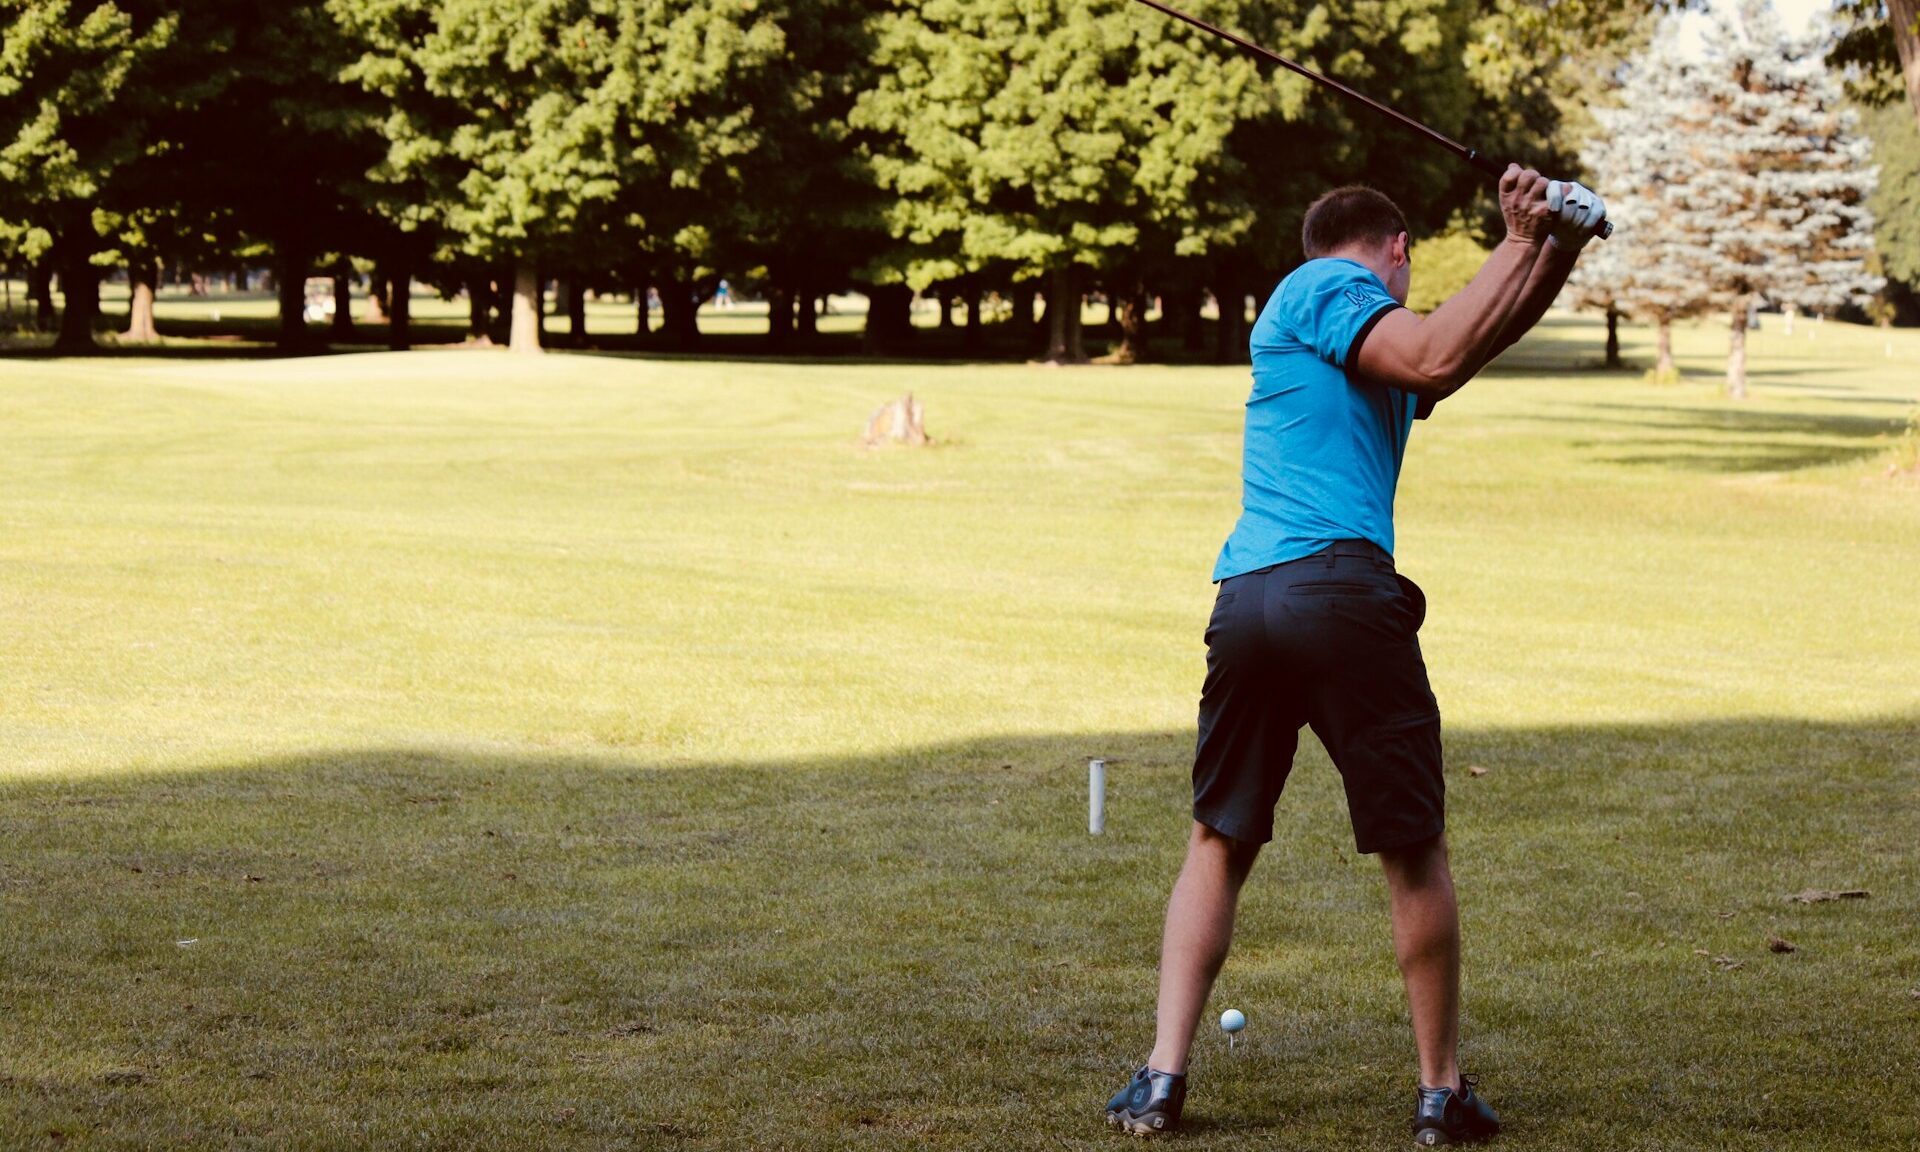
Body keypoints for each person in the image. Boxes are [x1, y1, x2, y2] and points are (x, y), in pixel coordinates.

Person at [1102, 168, 1607, 1147]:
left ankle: (1161, 1078)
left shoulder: (1361, 345)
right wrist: (1518, 236)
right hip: (1338, 593)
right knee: (1412, 848)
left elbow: (1463, 351)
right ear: (1397, 249)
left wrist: (1558, 248)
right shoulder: (1329, 288)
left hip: (1251, 598)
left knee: (1219, 836)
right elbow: (1432, 349)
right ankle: (1440, 1092)